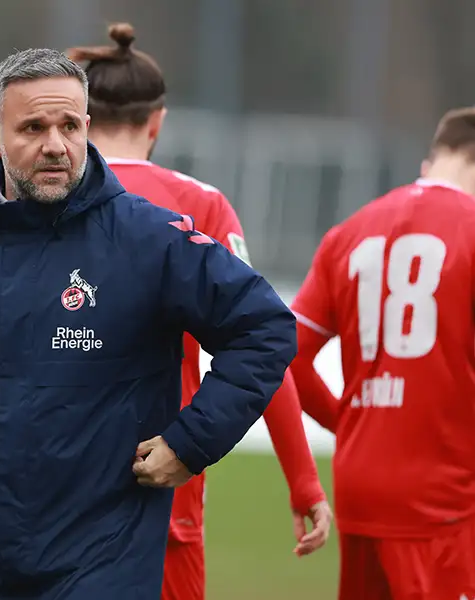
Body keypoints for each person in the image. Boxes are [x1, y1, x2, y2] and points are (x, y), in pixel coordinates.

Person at [0, 47, 297, 598]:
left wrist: (192, 441)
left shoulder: (149, 241)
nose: (55, 146)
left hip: (106, 562)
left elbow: (265, 328)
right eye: (32, 127)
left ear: (88, 127)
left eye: (69, 126)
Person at [65, 23, 333, 600]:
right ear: (157, 122)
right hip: (161, 487)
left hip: (48, 490)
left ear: (81, 119)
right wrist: (303, 481)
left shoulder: (41, 197)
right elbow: (263, 344)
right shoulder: (198, 204)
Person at [289, 107, 475, 599]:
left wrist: (346, 422)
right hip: (444, 496)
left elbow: (287, 355)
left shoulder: (349, 232)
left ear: (430, 162)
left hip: (360, 485)